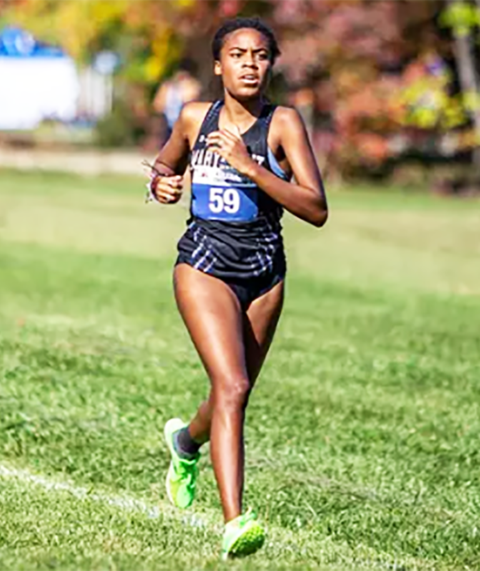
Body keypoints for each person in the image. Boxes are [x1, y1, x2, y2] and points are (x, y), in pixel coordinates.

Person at [146, 17, 328, 559]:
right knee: (234, 388)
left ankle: (185, 443)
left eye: (261, 55)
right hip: (203, 262)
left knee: (232, 388)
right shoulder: (193, 117)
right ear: (218, 65)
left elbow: (315, 208)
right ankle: (235, 520)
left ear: (271, 64)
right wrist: (162, 183)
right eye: (239, 54)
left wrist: (251, 168)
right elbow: (163, 165)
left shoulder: (284, 124)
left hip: (265, 270)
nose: (250, 63)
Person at [152, 58, 202, 145]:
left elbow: (192, 102)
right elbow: (157, 105)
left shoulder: (192, 87)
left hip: (185, 126)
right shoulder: (167, 87)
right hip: (168, 126)